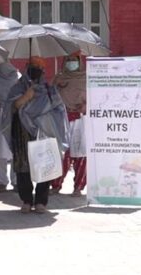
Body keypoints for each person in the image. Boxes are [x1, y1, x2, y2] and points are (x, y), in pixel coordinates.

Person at [8, 56, 69, 214]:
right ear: (27, 67)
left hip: (43, 132)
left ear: (43, 71)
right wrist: (26, 97)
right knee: (23, 167)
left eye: (39, 67)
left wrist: (44, 114)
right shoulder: (17, 87)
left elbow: (59, 110)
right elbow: (11, 107)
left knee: (44, 164)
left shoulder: (49, 89)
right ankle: (27, 200)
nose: (35, 70)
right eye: (32, 66)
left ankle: (41, 201)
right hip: (22, 132)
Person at [50, 51, 87, 197]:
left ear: (79, 62)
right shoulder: (59, 77)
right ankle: (55, 185)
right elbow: (50, 96)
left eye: (74, 60)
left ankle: (78, 187)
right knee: (60, 154)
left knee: (80, 154)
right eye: (69, 60)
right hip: (61, 119)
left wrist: (86, 105)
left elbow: (96, 98)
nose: (72, 63)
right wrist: (56, 85)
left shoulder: (86, 79)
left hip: (80, 120)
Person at [0, 62, 21, 192]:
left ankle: (15, 180)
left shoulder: (18, 78)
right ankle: (1, 181)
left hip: (13, 116)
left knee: (15, 149)